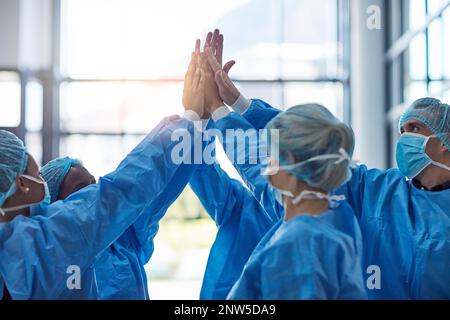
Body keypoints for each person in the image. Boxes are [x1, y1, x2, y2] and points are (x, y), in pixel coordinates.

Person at [203, 36, 450, 299]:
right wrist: (238, 103)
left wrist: (213, 112)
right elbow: (309, 142)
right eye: (401, 131)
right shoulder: (382, 192)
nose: (404, 139)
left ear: (445, 141)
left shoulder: (306, 238)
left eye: (414, 129)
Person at [0, 49, 207, 299]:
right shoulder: (46, 243)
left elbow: (156, 189)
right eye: (38, 176)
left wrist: (199, 124)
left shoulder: (119, 239)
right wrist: (190, 119)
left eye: (93, 184)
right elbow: (120, 190)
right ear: (22, 184)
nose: (91, 194)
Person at [226, 104, 367, 299]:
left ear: (290, 160)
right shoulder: (339, 216)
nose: (267, 163)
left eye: (271, 154)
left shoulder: (301, 243)